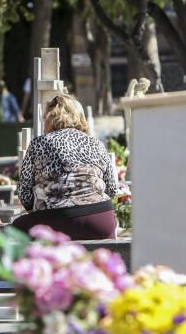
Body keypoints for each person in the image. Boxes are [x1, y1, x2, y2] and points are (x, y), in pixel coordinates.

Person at [14, 94, 118, 240]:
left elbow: (25, 194)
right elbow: (112, 189)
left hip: (55, 220)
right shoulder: (97, 144)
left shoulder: (39, 143)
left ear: (49, 117)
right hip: (101, 221)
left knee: (15, 228)